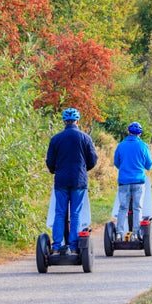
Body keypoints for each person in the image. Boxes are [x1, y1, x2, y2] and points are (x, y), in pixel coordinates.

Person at [45, 107, 98, 255]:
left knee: (60, 213)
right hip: (79, 181)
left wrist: (54, 170)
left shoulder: (56, 139)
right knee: (76, 213)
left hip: (61, 181)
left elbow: (50, 161)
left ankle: (56, 247)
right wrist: (83, 169)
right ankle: (74, 247)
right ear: (77, 120)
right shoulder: (85, 138)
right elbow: (93, 160)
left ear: (63, 121)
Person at [113, 122, 152, 240]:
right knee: (137, 207)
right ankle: (136, 233)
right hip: (138, 181)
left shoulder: (120, 145)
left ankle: (119, 233)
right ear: (140, 133)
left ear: (128, 131)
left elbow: (116, 163)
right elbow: (149, 165)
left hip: (124, 181)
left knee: (123, 207)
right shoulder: (143, 146)